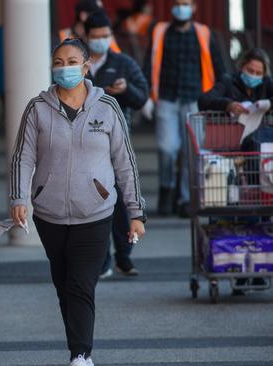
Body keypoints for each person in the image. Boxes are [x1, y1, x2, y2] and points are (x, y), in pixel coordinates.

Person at [9, 38, 146, 366]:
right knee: (63, 283)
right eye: (58, 61)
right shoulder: (37, 108)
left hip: (96, 213)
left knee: (82, 283)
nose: (64, 67)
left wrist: (136, 212)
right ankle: (78, 347)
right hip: (49, 214)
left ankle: (80, 355)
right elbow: (22, 157)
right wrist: (20, 197)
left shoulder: (107, 107)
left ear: (86, 67)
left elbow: (125, 162)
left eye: (72, 61)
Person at [198, 48, 273, 296]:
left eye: (258, 73)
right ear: (242, 68)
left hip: (259, 157)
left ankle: (256, 268)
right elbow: (205, 100)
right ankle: (233, 266)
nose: (253, 75)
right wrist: (229, 104)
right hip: (230, 151)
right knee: (228, 208)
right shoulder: (228, 82)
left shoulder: (267, 85)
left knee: (259, 208)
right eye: (250, 71)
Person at [143, 0, 225, 217]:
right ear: (172, 7)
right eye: (178, 3)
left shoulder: (204, 33)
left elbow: (219, 67)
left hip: (195, 100)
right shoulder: (160, 31)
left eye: (186, 3)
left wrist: (219, 99)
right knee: (167, 148)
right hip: (166, 99)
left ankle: (187, 199)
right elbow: (148, 63)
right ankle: (166, 190)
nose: (182, 7)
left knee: (191, 151)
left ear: (194, 7)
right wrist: (146, 98)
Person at [84, 11, 149, 277]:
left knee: (122, 199)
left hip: (118, 143)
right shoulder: (78, 65)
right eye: (96, 37)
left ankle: (124, 256)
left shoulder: (123, 63)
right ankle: (101, 260)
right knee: (94, 200)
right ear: (86, 37)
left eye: (105, 36)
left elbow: (142, 96)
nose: (101, 41)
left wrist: (126, 91)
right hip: (86, 145)